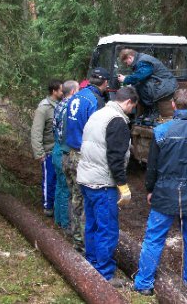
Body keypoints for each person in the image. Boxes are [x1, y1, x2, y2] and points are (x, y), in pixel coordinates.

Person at [133, 89, 187, 296]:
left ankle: (144, 284)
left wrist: (150, 189)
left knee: (153, 238)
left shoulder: (161, 132)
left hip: (165, 191)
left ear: (173, 105)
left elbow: (152, 167)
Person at [76, 86, 138, 286]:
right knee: (107, 228)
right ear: (128, 102)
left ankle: (92, 262)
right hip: (102, 183)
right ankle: (104, 274)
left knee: (92, 224)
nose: (132, 111)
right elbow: (115, 158)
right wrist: (122, 185)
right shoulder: (117, 121)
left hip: (87, 178)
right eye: (133, 107)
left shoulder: (99, 114)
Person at [64, 67, 110, 251]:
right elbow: (98, 131)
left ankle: (74, 234)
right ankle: (83, 245)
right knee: (86, 201)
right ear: (105, 83)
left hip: (70, 153)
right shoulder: (95, 101)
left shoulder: (76, 96)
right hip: (84, 157)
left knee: (74, 197)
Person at [31, 79, 63, 217]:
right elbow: (36, 131)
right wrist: (39, 153)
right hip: (48, 151)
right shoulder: (43, 108)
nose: (63, 92)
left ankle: (56, 205)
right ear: (54, 91)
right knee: (49, 180)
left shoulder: (61, 105)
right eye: (61, 90)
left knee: (57, 180)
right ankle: (47, 206)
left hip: (58, 149)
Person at [117, 49, 178, 122]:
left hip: (168, 85)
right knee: (137, 85)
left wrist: (125, 79)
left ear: (130, 57)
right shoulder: (140, 61)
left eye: (126, 62)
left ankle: (154, 113)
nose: (127, 65)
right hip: (161, 84)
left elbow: (140, 76)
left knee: (142, 85)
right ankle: (147, 112)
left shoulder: (143, 61)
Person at [52, 80, 79, 230]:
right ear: (74, 92)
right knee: (65, 189)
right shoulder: (71, 107)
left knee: (59, 186)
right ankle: (65, 223)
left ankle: (58, 218)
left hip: (56, 148)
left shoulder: (59, 104)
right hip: (63, 151)